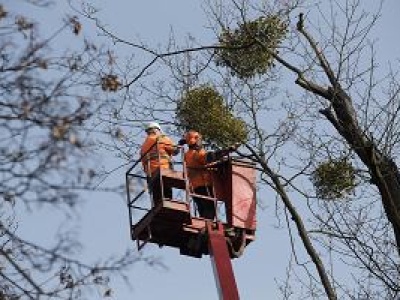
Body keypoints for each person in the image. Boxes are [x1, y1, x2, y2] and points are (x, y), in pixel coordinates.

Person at [182, 130, 238, 219]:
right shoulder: (197, 153)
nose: (201, 142)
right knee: (209, 211)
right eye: (199, 140)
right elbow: (210, 157)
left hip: (194, 187)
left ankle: (205, 226)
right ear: (195, 140)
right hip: (204, 186)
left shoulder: (187, 154)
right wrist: (227, 150)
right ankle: (208, 226)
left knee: (203, 212)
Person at [140, 122, 179, 202]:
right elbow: (175, 151)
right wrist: (180, 144)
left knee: (157, 199)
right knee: (167, 197)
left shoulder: (143, 146)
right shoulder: (161, 138)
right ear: (156, 130)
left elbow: (143, 164)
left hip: (151, 175)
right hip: (163, 170)